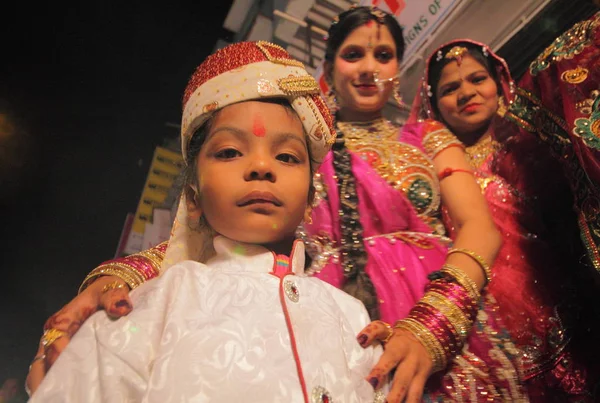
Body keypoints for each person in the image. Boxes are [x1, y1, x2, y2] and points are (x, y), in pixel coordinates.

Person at [28, 7, 526, 403]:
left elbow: (478, 229)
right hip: (314, 308)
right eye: (354, 54)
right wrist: (119, 279)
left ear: (399, 68)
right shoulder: (307, 151)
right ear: (329, 69)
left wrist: (431, 327)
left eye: (384, 54)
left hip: (435, 318)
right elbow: (228, 241)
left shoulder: (427, 137)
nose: (370, 68)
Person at [28, 40, 390, 403]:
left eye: (287, 156)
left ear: (311, 199)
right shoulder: (157, 303)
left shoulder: (351, 314)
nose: (262, 166)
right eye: (229, 152)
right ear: (194, 197)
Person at [409, 38, 599, 401]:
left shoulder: (538, 140)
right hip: (494, 342)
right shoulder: (434, 174)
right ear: (433, 104)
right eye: (450, 88)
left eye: (477, 79)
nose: (466, 93)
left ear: (499, 80)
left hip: (577, 322)